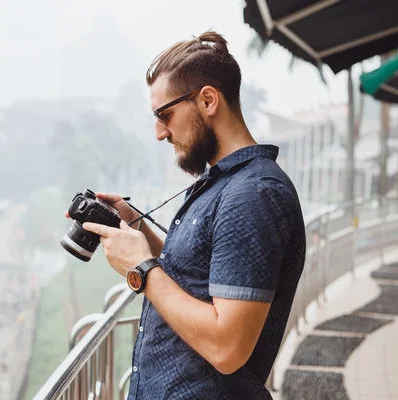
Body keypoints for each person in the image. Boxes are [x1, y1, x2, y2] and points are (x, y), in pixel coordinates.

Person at [75, 31, 306, 400]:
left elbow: (227, 349)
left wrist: (143, 270)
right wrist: (136, 224)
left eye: (165, 114)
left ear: (208, 100)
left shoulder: (253, 195)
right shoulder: (225, 184)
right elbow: (200, 275)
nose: (159, 132)